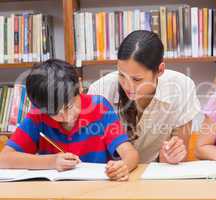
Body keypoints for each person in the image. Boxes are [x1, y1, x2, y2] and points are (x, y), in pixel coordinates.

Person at [0, 59, 139, 181]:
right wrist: (51, 162)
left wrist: (123, 166)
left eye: (69, 107)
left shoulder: (99, 107)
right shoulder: (38, 116)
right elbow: (4, 159)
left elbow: (130, 153)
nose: (66, 117)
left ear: (79, 86)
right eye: (55, 113)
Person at [88, 30, 201, 163]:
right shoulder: (100, 90)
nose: (127, 86)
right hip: (112, 174)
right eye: (121, 75)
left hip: (157, 176)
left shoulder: (182, 87)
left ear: (160, 70)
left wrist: (171, 156)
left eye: (137, 79)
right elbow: (92, 152)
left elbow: (180, 153)